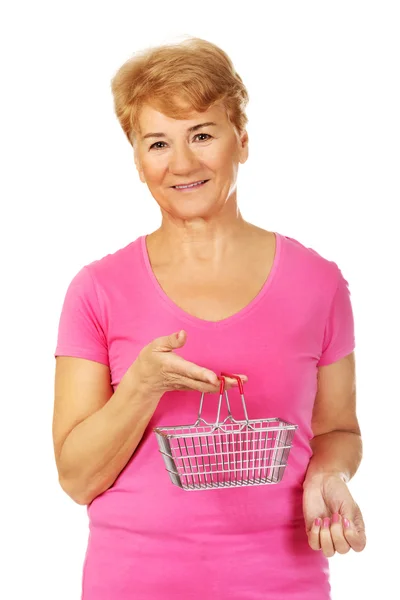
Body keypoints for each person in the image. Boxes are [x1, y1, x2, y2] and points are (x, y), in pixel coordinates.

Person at [52, 37, 366, 600]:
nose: (183, 163)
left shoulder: (319, 283)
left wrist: (328, 473)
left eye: (201, 133)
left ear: (241, 140)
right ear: (138, 161)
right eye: (157, 143)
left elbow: (338, 431)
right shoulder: (96, 290)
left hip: (284, 583)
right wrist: (142, 386)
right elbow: (76, 479)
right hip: (133, 585)